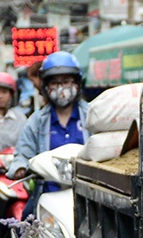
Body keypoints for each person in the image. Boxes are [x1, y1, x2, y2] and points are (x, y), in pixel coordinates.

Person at [11, 50, 87, 193]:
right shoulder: (37, 120)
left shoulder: (92, 115)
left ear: (77, 83)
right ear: (46, 86)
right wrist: (20, 167)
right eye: (55, 83)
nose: (61, 88)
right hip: (48, 195)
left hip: (88, 196)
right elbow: (23, 153)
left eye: (66, 82)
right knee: (25, 215)